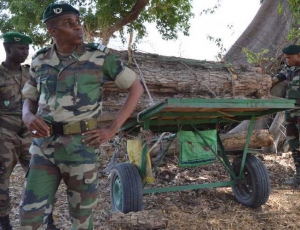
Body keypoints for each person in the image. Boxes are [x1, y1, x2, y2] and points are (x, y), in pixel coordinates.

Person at [19, 2, 144, 229]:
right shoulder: (40, 60)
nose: (78, 28)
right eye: (69, 24)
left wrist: (112, 128)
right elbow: (30, 97)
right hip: (43, 148)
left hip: (81, 147)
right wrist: (27, 115)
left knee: (82, 217)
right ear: (53, 31)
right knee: (29, 215)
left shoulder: (98, 57)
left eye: (78, 22)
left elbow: (135, 88)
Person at [0, 32, 58, 230]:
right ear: (8, 50)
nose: (25, 52)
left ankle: (48, 220)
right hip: (4, 136)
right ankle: (4, 222)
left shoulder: (31, 74)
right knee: (1, 180)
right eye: (20, 48)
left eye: (26, 49)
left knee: (41, 176)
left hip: (30, 135)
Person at [272, 44, 300, 186]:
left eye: (289, 58)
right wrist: (269, 81)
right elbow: (279, 77)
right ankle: (298, 176)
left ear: (299, 55)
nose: (287, 60)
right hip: (291, 113)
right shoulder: (289, 68)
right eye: (286, 58)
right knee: (294, 144)